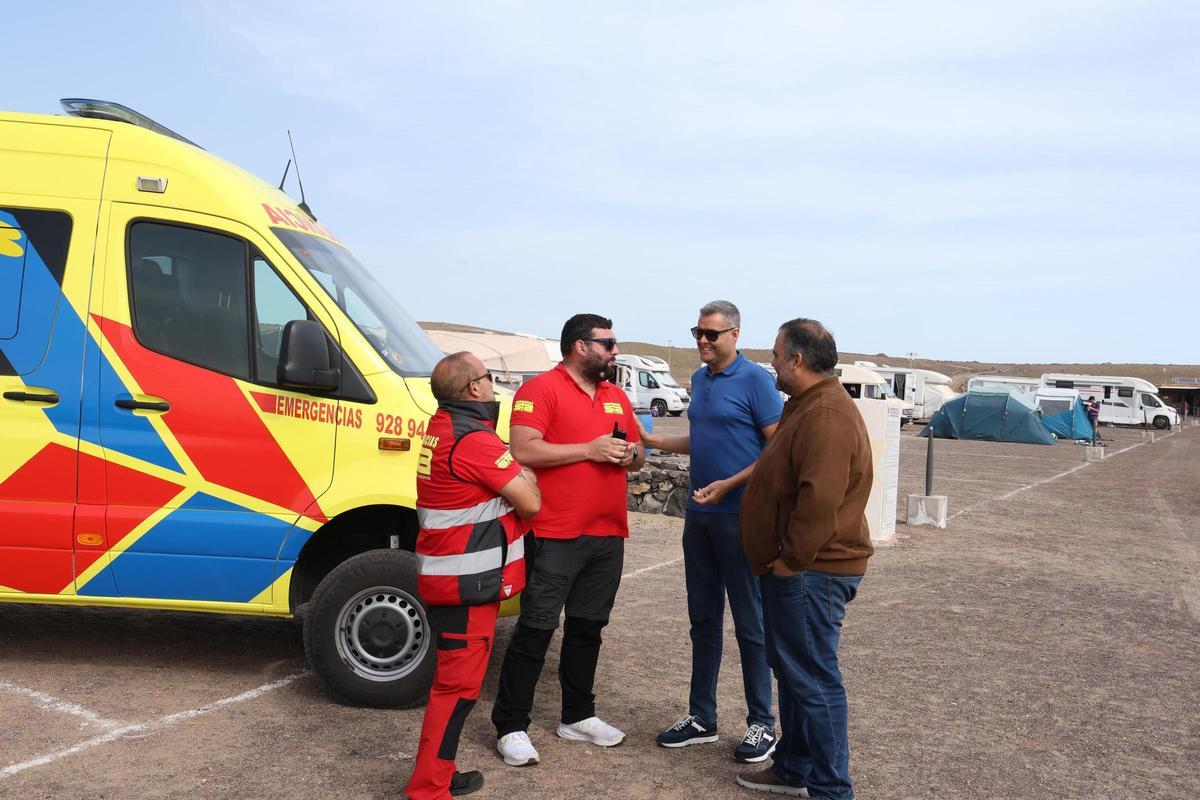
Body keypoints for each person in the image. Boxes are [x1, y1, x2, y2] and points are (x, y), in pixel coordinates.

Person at [490, 313, 645, 766]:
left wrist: (629, 453)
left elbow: (638, 455)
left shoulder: (617, 395)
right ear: (581, 346)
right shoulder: (540, 389)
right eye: (608, 343)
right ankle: (511, 724)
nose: (615, 351)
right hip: (555, 533)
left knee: (587, 628)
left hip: (607, 532)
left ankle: (577, 715)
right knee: (537, 628)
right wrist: (589, 449)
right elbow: (522, 448)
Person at [637, 300, 782, 763]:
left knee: (750, 623)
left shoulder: (758, 381)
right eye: (697, 332)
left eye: (711, 334)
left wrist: (729, 485)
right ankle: (702, 716)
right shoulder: (699, 381)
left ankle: (763, 723)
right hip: (699, 518)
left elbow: (777, 451)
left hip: (740, 516)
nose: (702, 340)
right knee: (702, 618)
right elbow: (702, 438)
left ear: (735, 335)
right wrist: (654, 440)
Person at [735, 318, 874, 800]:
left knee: (814, 678)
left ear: (797, 360)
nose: (770, 361)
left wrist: (790, 561)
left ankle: (833, 790)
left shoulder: (827, 416)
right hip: (800, 569)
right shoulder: (806, 405)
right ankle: (793, 767)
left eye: (775, 354)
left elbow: (820, 500)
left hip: (813, 571)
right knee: (794, 669)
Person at [404, 352, 541, 800]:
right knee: (457, 692)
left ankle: (440, 773)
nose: (492, 383)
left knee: (456, 689)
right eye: (487, 376)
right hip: (466, 584)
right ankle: (429, 788)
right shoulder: (475, 440)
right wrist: (524, 477)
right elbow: (530, 502)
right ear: (473, 390)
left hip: (452, 578)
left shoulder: (444, 426)